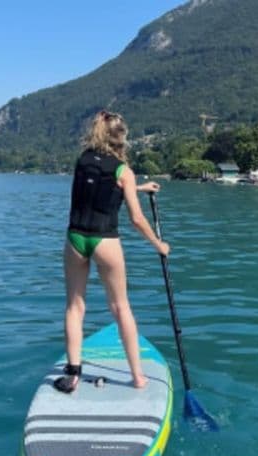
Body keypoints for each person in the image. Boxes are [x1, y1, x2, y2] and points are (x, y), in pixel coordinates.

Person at [54, 110, 170, 394]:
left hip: (76, 238)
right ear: (121, 137)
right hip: (105, 241)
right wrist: (159, 245)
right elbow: (136, 219)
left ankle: (72, 374)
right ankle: (139, 377)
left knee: (74, 306)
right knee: (121, 308)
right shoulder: (123, 170)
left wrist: (138, 187)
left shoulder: (82, 161)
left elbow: (97, 187)